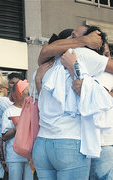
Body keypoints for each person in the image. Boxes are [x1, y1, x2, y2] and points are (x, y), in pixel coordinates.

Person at [32, 26, 111, 180]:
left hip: (42, 144)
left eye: (74, 36)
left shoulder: (53, 60)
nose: (69, 39)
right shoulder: (78, 54)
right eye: (71, 36)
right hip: (69, 142)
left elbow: (44, 52)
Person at [62, 42, 113, 180]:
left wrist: (74, 67)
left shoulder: (106, 76)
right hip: (89, 141)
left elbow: (82, 89)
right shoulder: (92, 74)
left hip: (105, 142)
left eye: (107, 55)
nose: (104, 58)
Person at [2, 79, 33, 180]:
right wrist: (17, 128)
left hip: (30, 156)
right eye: (26, 90)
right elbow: (4, 136)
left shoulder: (32, 109)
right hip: (14, 156)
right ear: (20, 93)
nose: (29, 93)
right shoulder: (9, 111)